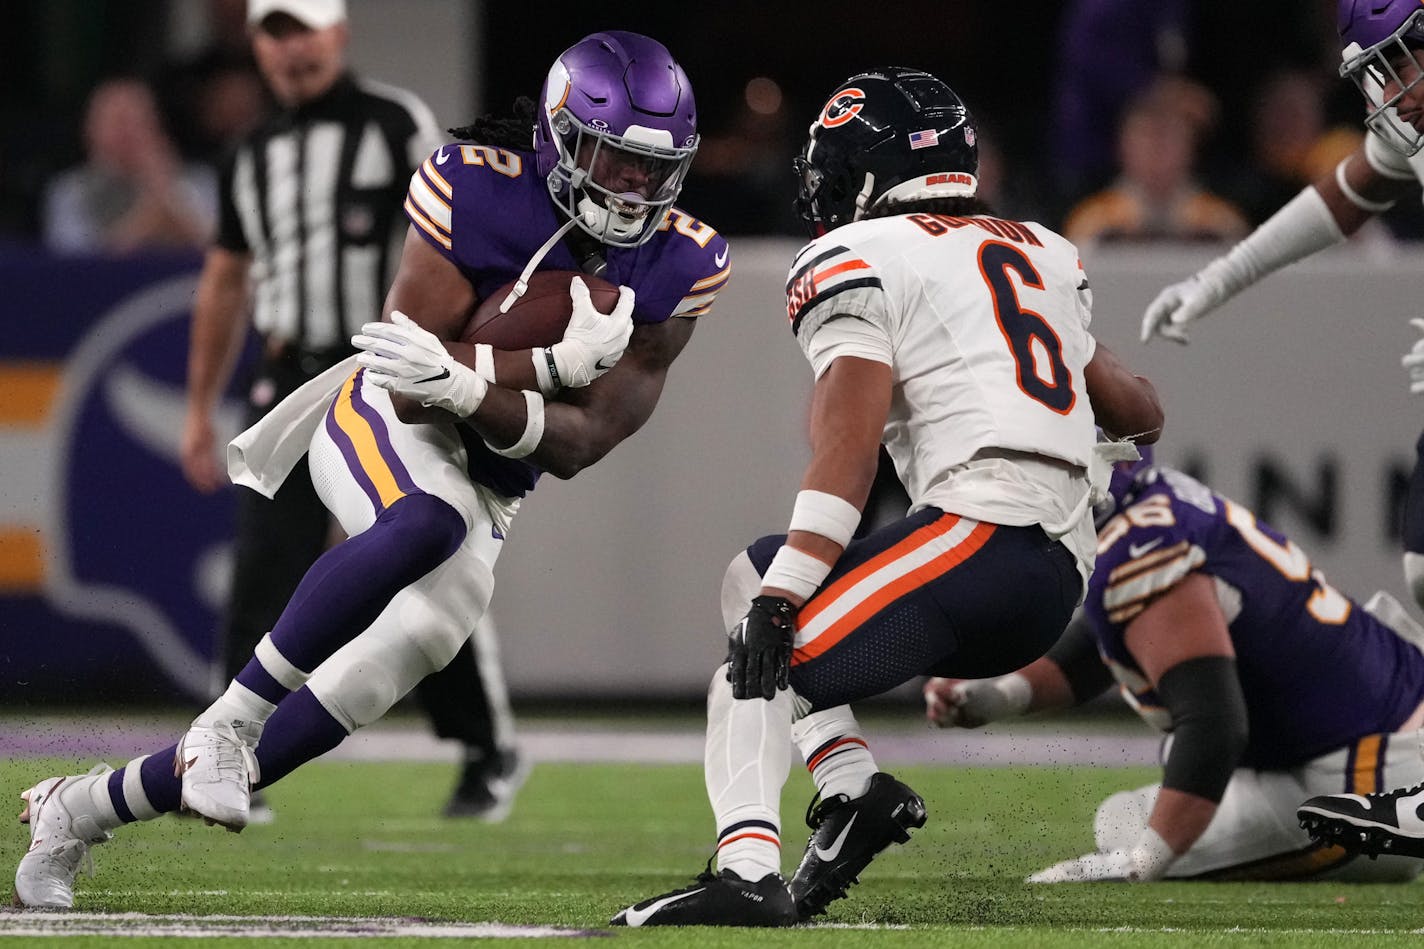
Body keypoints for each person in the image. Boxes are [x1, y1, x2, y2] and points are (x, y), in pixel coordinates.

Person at [14, 28, 725, 909]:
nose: (629, 188)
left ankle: (78, 807)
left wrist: (486, 383)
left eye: (649, 169)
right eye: (609, 159)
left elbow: (583, 443)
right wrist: (530, 369)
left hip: (495, 474)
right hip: (383, 412)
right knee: (425, 523)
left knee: (423, 636)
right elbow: (414, 383)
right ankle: (227, 721)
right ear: (556, 135)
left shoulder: (685, 259)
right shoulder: (470, 185)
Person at [611, 67, 1163, 928]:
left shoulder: (858, 254)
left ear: (867, 174)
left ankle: (746, 871)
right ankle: (851, 789)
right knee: (746, 574)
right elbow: (1140, 409)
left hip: (981, 536)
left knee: (755, 662)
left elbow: (848, 452)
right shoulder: (1040, 249)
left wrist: (785, 597)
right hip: (1051, 567)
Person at [177, 0, 520, 824]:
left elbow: (458, 232)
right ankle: (225, 756)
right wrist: (197, 408)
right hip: (292, 380)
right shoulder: (250, 152)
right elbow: (227, 277)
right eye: (275, 31)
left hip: (384, 375)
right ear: (256, 46)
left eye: (304, 29)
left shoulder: (396, 122)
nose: (291, 48)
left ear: (338, 33)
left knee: (423, 552)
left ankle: (483, 745)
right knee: (264, 570)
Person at [920, 453, 1424, 883]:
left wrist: (1145, 862)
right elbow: (1110, 647)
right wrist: (1000, 696)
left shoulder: (1140, 551)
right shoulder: (1156, 503)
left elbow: (1214, 727)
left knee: (1134, 828)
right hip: (1390, 720)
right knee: (1128, 816)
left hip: (1369, 777)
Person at [1139, 0, 1424, 613]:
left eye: (1402, 64)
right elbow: (1348, 194)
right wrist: (1218, 279)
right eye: (1383, 70)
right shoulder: (1412, 131)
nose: (1395, 92)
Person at [1062, 77, 1251, 246]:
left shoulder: (1220, 224)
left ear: (1192, 148)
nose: (1156, 150)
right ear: (1121, 147)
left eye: (1169, 138)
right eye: (1145, 138)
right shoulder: (1093, 223)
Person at [41, 77, 218, 255]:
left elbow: (220, 251)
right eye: (116, 122)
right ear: (90, 131)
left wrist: (165, 186)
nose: (126, 133)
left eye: (136, 120)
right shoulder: (70, 191)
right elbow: (76, 263)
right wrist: (149, 217)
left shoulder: (199, 180)